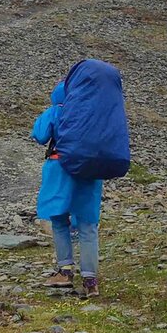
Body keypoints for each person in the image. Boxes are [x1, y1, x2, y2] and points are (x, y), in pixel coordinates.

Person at [31, 80, 104, 298]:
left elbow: (40, 135)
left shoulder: (57, 110)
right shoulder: (96, 112)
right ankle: (90, 282)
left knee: (59, 219)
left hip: (60, 167)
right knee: (88, 225)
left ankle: (65, 272)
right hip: (90, 170)